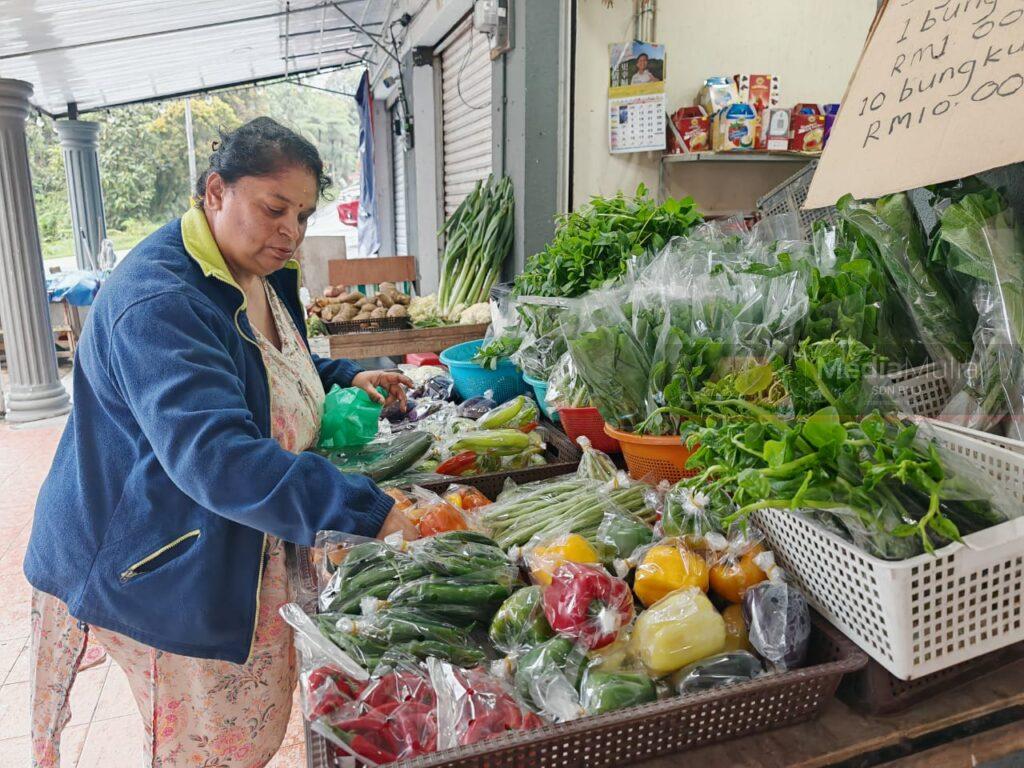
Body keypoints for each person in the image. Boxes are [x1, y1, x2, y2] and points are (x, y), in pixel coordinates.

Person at [24, 117, 418, 768]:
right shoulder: (161, 302)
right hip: (159, 558)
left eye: (303, 213)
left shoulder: (254, 270)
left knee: (247, 735)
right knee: (207, 752)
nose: (290, 231)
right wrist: (371, 512)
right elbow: (218, 459)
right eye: (274, 208)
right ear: (215, 192)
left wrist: (345, 373)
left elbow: (262, 370)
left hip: (228, 539)